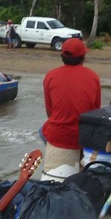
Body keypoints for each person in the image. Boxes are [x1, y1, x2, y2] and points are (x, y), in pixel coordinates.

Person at [40, 38, 101, 174]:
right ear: (83, 57)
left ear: (62, 56)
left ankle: (61, 158)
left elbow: (49, 113)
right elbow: (95, 113)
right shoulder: (93, 77)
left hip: (60, 136)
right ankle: (79, 162)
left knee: (42, 130)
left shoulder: (51, 76)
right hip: (84, 136)